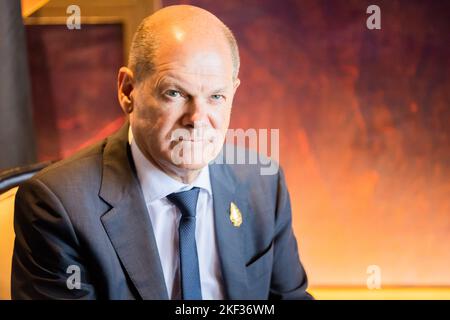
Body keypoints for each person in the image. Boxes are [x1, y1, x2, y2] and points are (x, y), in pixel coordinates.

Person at [11, 5, 312, 300]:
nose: (197, 118)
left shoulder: (262, 183)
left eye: (216, 97)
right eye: (175, 93)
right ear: (128, 91)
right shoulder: (59, 205)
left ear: (233, 93)